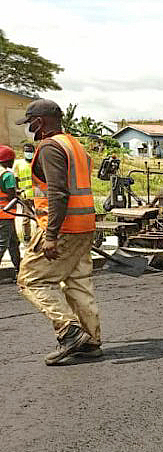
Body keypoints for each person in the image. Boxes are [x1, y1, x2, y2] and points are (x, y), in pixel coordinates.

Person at [15, 99, 102, 365]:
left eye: (30, 122)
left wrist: (50, 235)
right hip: (84, 225)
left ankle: (70, 332)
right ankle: (91, 341)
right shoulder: (74, 145)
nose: (29, 127)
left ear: (39, 122)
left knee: (31, 280)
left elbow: (58, 192)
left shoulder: (50, 147)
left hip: (62, 228)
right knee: (78, 282)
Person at [0, 145, 22, 277]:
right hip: (5, 214)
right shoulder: (7, 175)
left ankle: (19, 270)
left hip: (6, 215)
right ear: (7, 160)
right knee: (2, 245)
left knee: (14, 242)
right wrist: (17, 194)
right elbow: (10, 195)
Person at [13, 143, 35, 242]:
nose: (28, 153)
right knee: (26, 218)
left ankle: (40, 237)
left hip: (37, 195)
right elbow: (15, 178)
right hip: (25, 195)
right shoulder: (18, 163)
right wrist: (17, 190)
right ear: (23, 152)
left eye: (30, 151)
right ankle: (27, 238)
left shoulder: (36, 163)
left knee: (40, 217)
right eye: (26, 151)